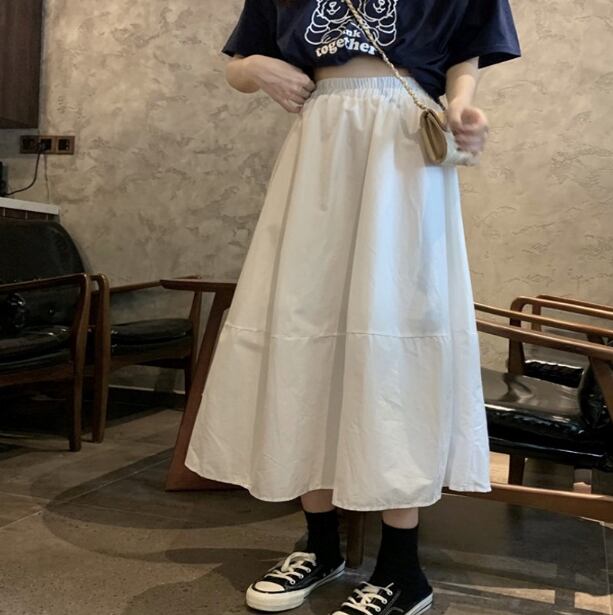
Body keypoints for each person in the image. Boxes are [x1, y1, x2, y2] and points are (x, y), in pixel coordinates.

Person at [186, 1, 521, 613]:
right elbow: (238, 61)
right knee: (301, 326)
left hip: (403, 146)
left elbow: (465, 53)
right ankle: (321, 547)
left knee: (397, 333)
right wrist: (257, 68)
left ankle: (403, 570)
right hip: (319, 143)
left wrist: (461, 103)